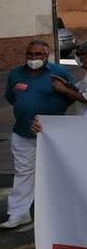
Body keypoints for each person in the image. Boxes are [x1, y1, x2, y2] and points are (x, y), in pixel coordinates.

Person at [1, 40, 76, 229]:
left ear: (46, 55)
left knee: (54, 174)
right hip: (22, 132)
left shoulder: (59, 73)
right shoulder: (16, 74)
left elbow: (74, 96)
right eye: (30, 55)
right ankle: (19, 213)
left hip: (53, 135)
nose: (33, 58)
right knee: (24, 173)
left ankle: (58, 213)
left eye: (38, 55)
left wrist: (61, 93)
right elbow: (11, 97)